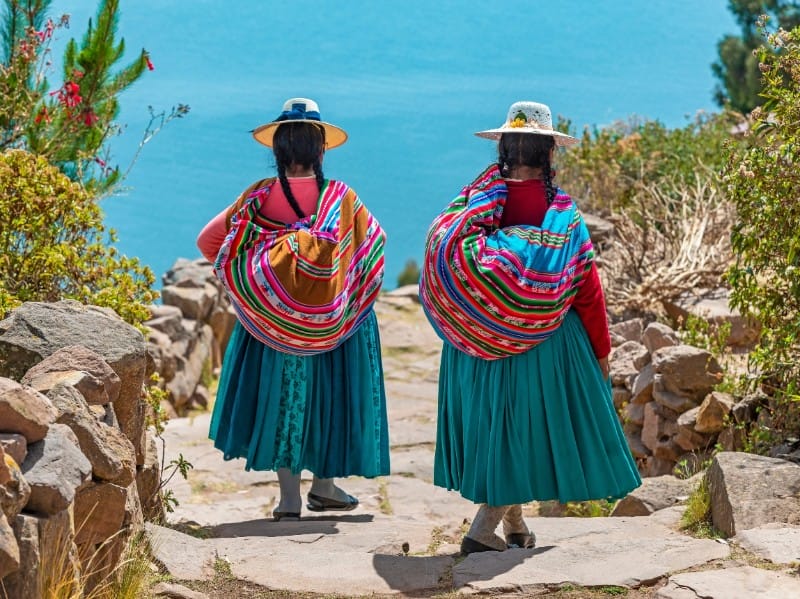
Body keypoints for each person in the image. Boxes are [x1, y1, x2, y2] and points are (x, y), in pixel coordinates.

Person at [420, 100, 641, 555]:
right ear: (549, 154)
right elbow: (587, 289)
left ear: (504, 149)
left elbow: (444, 248)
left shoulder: (475, 201)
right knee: (522, 430)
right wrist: (601, 350)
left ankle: (515, 523)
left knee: (498, 429)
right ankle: (483, 529)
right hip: (543, 344)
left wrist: (474, 318)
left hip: (477, 344)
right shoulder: (561, 215)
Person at [197, 97, 389, 520]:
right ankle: (325, 486)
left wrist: (258, 283)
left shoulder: (258, 199)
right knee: (329, 396)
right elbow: (373, 249)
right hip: (334, 327)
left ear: (277, 151)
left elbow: (209, 242)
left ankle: (289, 499)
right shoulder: (341, 199)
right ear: (321, 151)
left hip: (272, 328)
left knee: (284, 398)